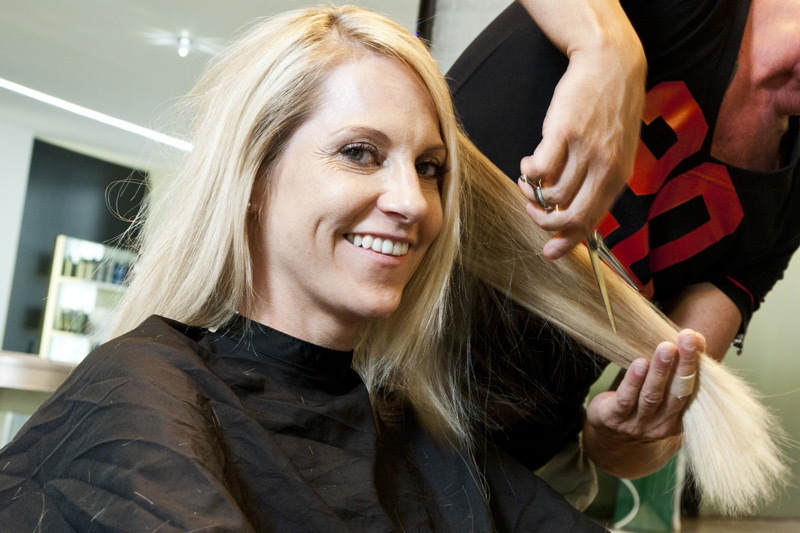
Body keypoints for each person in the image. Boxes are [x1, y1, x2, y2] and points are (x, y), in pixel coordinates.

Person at [0, 4, 784, 531]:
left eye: (432, 168)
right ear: (253, 177)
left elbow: (676, 385)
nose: (413, 201)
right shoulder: (146, 405)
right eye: (359, 152)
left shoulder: (441, 456)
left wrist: (632, 437)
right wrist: (608, 48)